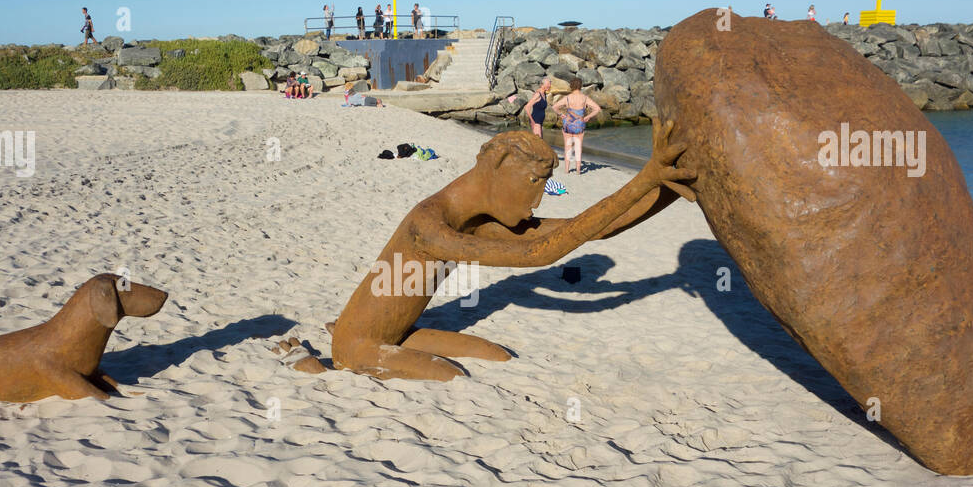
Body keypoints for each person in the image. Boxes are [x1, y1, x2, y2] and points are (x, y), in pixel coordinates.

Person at [282, 126, 692, 381]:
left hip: (399, 331)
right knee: (450, 375)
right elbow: (539, 255)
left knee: (496, 355)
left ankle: (346, 332)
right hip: (359, 347)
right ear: (495, 170)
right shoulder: (430, 224)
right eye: (533, 181)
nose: (538, 198)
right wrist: (645, 179)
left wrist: (668, 187)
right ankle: (307, 359)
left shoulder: (477, 218)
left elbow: (590, 230)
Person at [552, 77, 600, 175]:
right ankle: (578, 170)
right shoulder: (584, 98)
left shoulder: (568, 98)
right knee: (578, 147)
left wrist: (562, 115)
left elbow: (554, 107)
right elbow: (597, 109)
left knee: (568, 146)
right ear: (580, 86)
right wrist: (588, 117)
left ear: (571, 86)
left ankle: (566, 169)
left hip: (568, 123)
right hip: (580, 124)